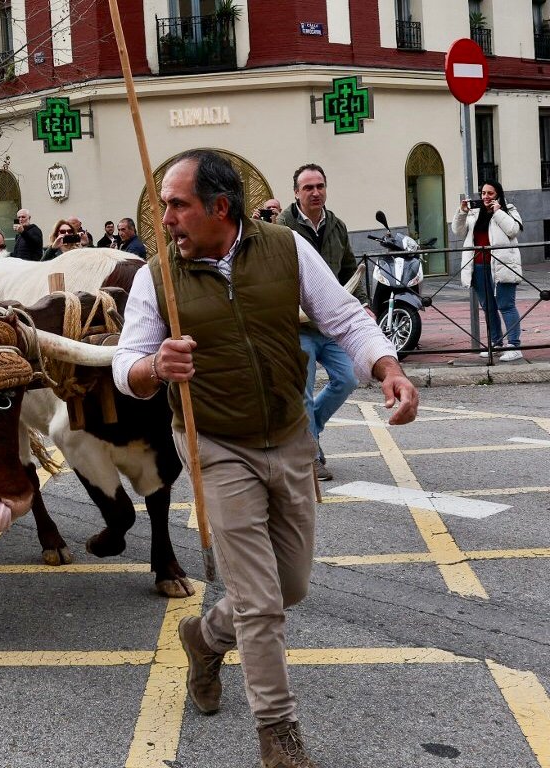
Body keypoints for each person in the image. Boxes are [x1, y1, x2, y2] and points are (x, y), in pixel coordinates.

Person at [113, 150, 417, 768]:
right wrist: (153, 368)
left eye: (178, 205)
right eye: (165, 204)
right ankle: (279, 737)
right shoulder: (156, 276)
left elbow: (345, 318)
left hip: (289, 433)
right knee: (259, 601)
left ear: (219, 209)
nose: (165, 218)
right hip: (216, 444)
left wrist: (388, 367)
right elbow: (126, 366)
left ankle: (204, 638)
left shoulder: (286, 248)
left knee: (291, 586)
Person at [275, 165, 369, 481]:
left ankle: (309, 427)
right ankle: (312, 456)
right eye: (308, 187)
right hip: (296, 326)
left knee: (348, 379)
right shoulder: (280, 229)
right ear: (296, 193)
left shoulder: (337, 226)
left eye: (320, 186)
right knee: (302, 392)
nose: (315, 192)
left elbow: (349, 268)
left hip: (329, 325)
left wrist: (364, 304)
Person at [453, 181, 524, 362]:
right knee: (488, 308)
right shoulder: (475, 212)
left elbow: (514, 230)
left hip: (501, 265)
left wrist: (498, 211)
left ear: (498, 194)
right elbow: (458, 231)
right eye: (483, 193)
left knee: (506, 305)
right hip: (477, 266)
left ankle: (515, 346)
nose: (485, 197)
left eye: (490, 193)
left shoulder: (509, 209)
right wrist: (461, 212)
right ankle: (496, 344)